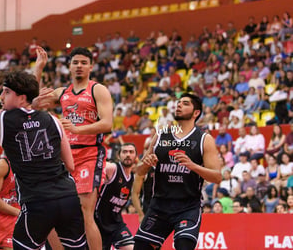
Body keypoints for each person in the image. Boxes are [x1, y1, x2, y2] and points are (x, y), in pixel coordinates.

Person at [0, 69, 86, 249]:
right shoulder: (54, 120)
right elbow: (70, 164)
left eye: (7, 92)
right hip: (68, 196)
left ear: (22, 97)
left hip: (37, 200)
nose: (1, 96)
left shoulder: (2, 118)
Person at [33, 47, 113, 250]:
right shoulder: (62, 92)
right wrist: (39, 68)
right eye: (75, 62)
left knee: (85, 212)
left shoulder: (98, 90)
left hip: (89, 153)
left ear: (91, 66)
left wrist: (77, 128)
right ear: (69, 66)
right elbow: (32, 102)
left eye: (83, 62)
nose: (79, 66)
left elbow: (107, 124)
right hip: (64, 155)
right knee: (50, 211)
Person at [133, 93, 222, 250]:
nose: (179, 105)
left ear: (196, 113)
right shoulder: (161, 135)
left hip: (188, 206)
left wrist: (193, 165)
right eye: (178, 102)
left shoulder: (203, 139)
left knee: (184, 245)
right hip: (159, 205)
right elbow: (139, 171)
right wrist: (145, 164)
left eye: (185, 103)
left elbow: (217, 177)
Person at [94, 143, 137, 250]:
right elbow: (98, 166)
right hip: (98, 222)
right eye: (125, 152)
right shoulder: (112, 168)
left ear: (136, 156)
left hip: (116, 223)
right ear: (118, 156)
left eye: (131, 152)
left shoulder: (133, 176)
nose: (128, 155)